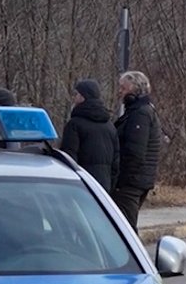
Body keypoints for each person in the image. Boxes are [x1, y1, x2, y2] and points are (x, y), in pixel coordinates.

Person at [111, 71, 165, 228]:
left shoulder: (140, 114)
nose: (120, 91)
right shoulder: (138, 111)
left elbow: (134, 152)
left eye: (123, 88)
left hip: (131, 182)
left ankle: (131, 253)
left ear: (135, 89)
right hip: (136, 180)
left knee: (124, 228)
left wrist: (121, 180)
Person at [59, 78, 117, 189]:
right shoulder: (110, 126)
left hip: (82, 183)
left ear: (82, 97)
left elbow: (69, 156)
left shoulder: (74, 124)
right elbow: (116, 161)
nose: (74, 98)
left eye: (76, 94)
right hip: (104, 184)